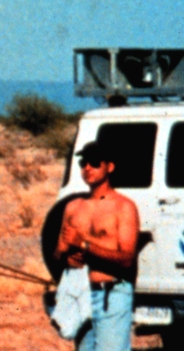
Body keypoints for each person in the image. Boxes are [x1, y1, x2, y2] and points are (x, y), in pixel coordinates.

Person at [57, 141, 140, 350]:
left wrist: (84, 245)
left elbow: (127, 258)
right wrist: (66, 256)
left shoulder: (124, 207)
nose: (87, 168)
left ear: (109, 167)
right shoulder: (73, 207)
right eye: (83, 162)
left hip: (111, 295)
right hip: (80, 293)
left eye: (94, 163)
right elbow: (58, 253)